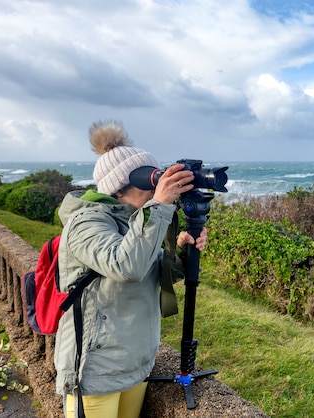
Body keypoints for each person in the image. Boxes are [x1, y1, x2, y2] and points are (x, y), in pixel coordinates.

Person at [54, 120, 207, 418]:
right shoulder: (86, 222)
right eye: (152, 179)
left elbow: (155, 275)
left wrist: (183, 253)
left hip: (136, 362)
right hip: (96, 369)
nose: (157, 185)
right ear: (121, 186)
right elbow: (127, 267)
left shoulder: (138, 220)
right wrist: (160, 205)